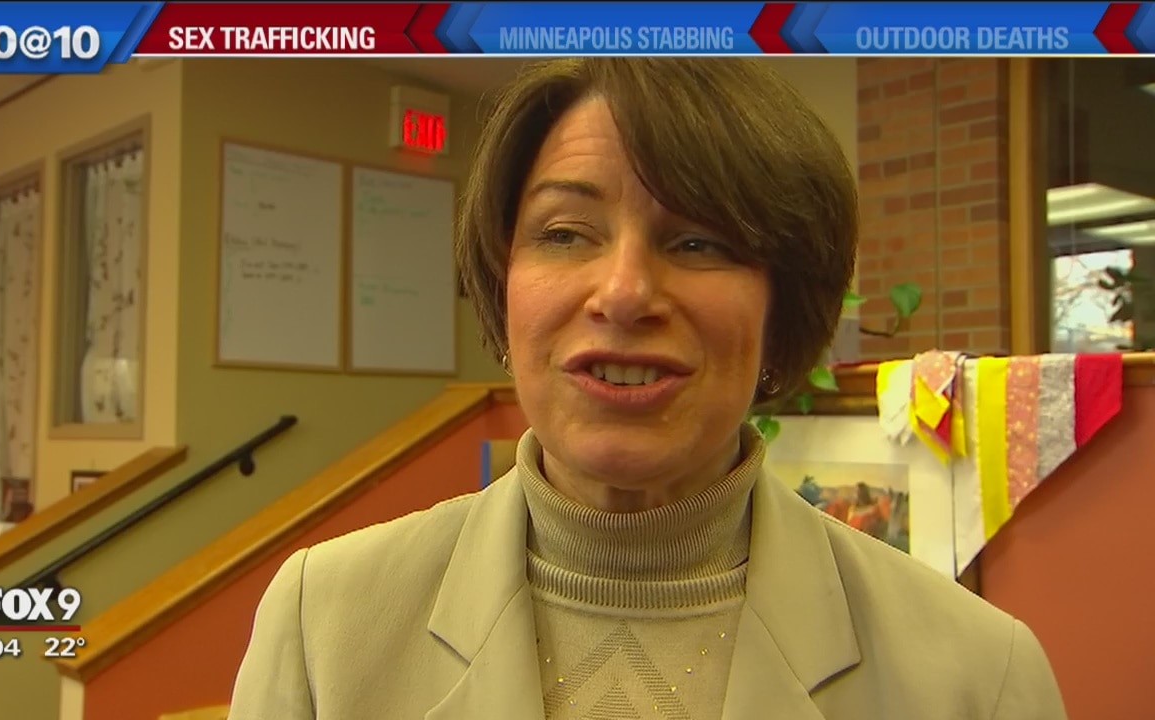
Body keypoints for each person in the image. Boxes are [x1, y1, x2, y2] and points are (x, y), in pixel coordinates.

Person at [227, 58, 1068, 719]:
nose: (624, 292)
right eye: (565, 233)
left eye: (699, 242)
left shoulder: (976, 676)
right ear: (503, 286)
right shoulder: (324, 623)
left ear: (782, 310)